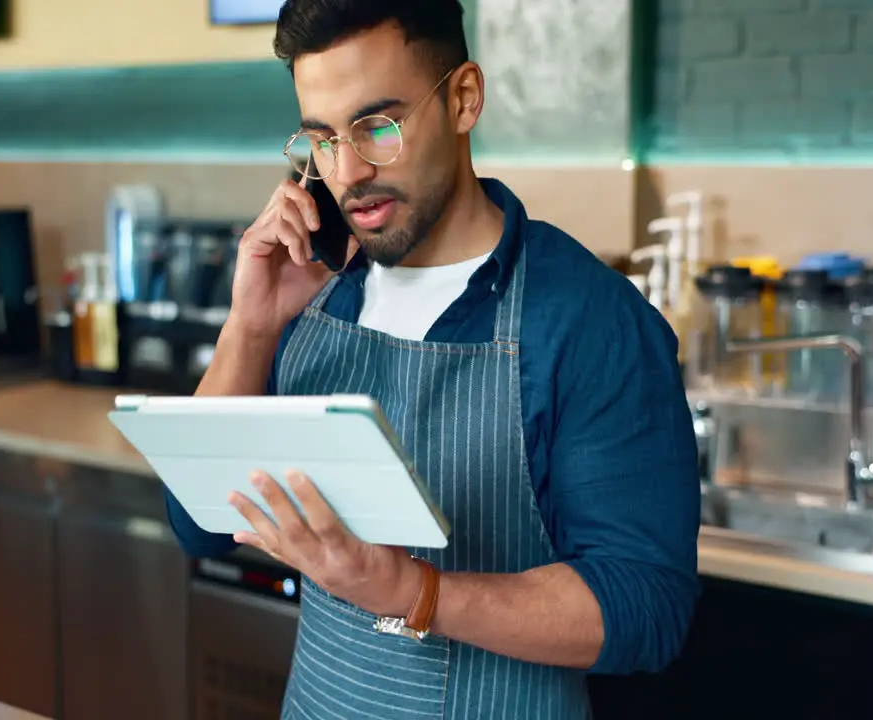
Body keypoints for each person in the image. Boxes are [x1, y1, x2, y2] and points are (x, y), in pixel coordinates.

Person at [162, 0, 701, 716]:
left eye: (377, 126)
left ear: (463, 99)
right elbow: (198, 524)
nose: (347, 171)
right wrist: (252, 326)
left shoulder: (589, 320)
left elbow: (644, 609)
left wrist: (412, 592)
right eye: (320, 138)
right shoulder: (315, 296)